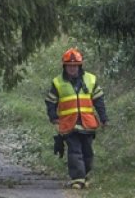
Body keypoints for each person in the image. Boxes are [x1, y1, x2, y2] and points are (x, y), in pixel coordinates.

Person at [45, 47, 108, 189]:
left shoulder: (91, 79)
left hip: (87, 124)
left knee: (87, 152)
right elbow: (50, 101)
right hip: (69, 125)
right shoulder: (57, 82)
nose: (72, 68)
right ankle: (77, 179)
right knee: (74, 151)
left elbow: (99, 100)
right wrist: (53, 117)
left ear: (80, 66)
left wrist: (103, 118)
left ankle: (85, 175)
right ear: (65, 66)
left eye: (75, 66)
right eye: (69, 66)